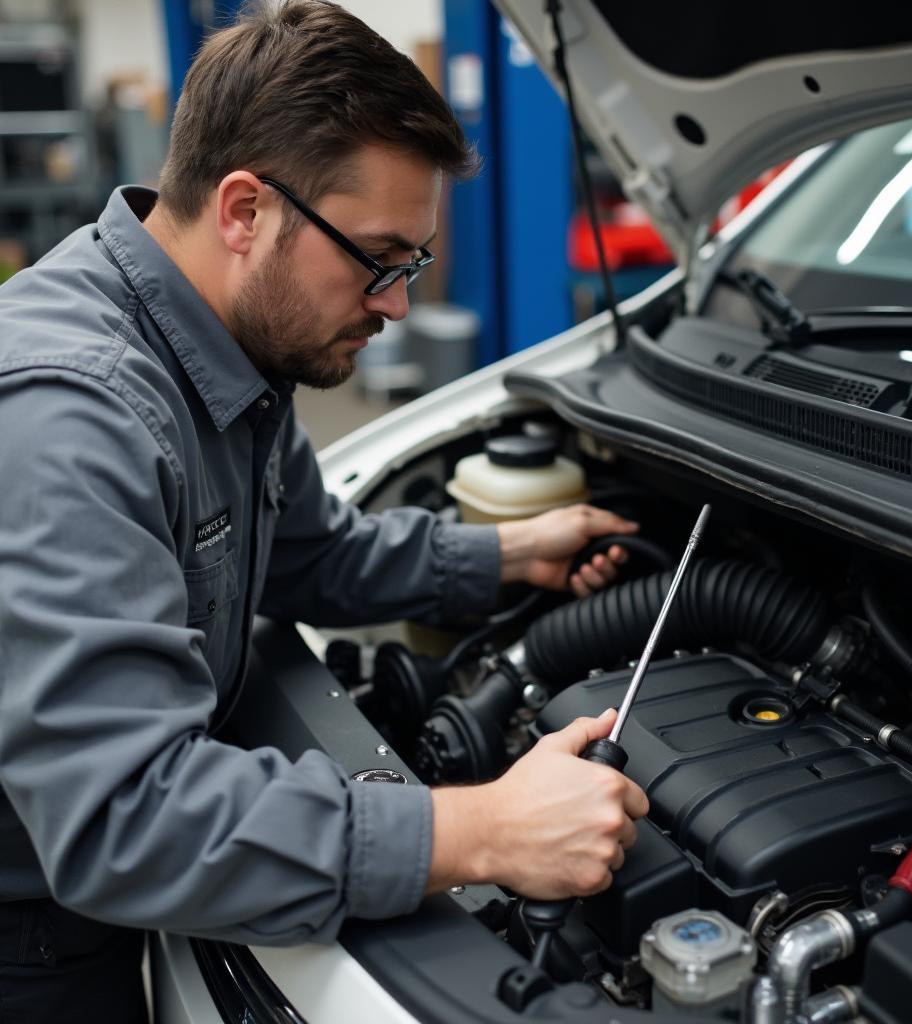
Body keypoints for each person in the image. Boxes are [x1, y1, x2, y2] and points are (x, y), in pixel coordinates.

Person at [0, 2, 649, 1020]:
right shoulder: (73, 416)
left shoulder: (229, 345)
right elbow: (120, 821)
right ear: (245, 210)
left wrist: (510, 551)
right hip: (33, 935)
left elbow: (312, 551)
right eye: (380, 257)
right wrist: (479, 830)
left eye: (412, 267)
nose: (394, 304)